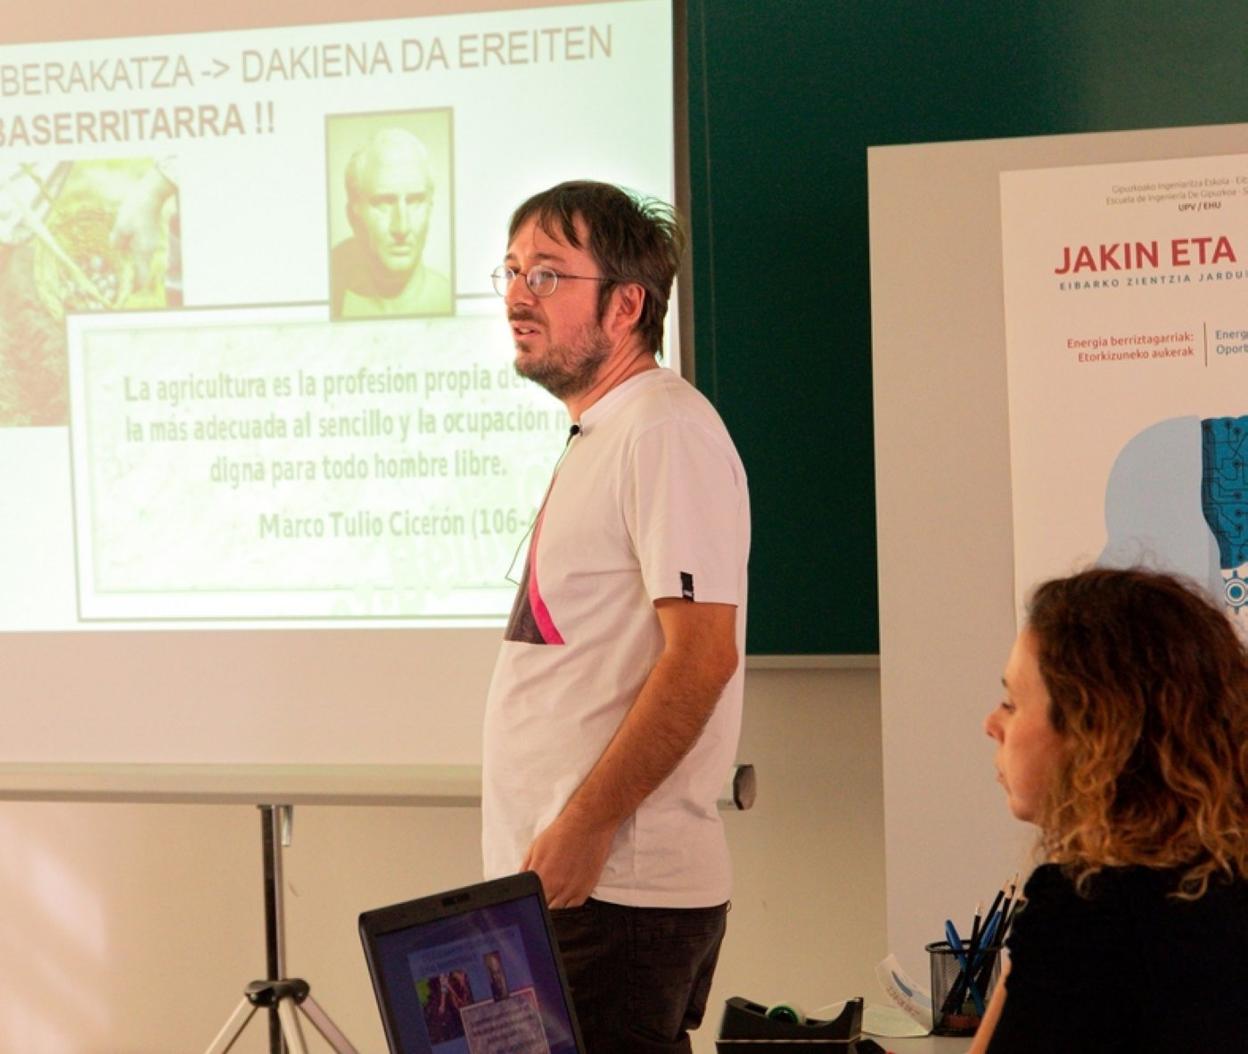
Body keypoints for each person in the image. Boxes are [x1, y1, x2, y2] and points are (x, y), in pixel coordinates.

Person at [481, 180, 750, 1054]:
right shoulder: (608, 431)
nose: (521, 295)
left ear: (627, 303)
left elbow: (702, 657)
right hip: (573, 890)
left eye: (550, 274)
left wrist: (585, 830)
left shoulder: (662, 430)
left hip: (615, 893)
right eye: (514, 271)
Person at [972, 567, 1248, 1053]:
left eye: (1012, 702)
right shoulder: (1225, 884)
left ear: (1093, 731)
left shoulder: (1088, 911)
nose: (991, 724)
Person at [329, 128, 451, 319]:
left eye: (414, 202)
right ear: (353, 216)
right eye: (383, 202)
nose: (401, 227)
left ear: (430, 209)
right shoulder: (334, 301)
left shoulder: (447, 297)